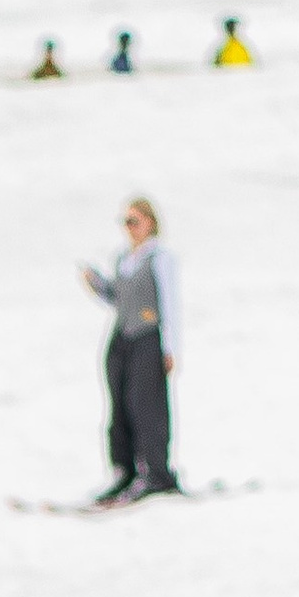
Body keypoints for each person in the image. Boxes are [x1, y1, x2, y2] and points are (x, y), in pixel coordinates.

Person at [81, 198, 181, 501]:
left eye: (134, 221)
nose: (129, 228)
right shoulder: (124, 258)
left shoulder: (160, 258)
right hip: (122, 337)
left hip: (148, 336)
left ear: (150, 222)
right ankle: (124, 471)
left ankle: (156, 471)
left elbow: (170, 304)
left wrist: (170, 348)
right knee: (120, 404)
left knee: (146, 405)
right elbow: (119, 300)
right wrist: (98, 286)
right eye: (125, 222)